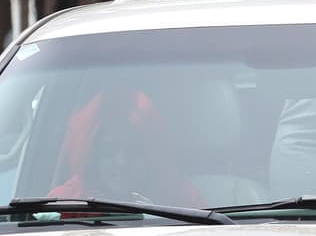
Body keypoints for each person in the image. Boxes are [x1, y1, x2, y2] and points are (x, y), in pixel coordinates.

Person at [49, 89, 204, 208]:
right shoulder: (65, 201)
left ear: (150, 154)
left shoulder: (180, 199)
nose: (121, 162)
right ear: (92, 158)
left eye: (133, 150)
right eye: (108, 152)